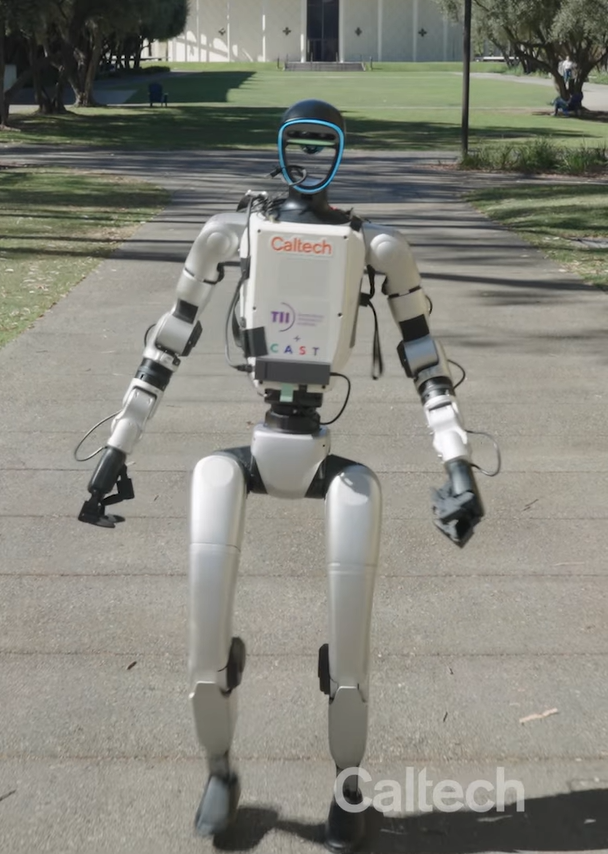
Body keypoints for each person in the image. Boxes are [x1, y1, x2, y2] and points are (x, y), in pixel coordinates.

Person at [78, 98, 488, 854]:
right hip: (255, 442)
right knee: (205, 652)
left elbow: (424, 359)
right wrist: (116, 449)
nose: (310, 159)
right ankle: (218, 769)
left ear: (340, 151)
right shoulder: (232, 232)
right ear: (280, 149)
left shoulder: (376, 248)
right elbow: (167, 340)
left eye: (323, 145)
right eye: (299, 145)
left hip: (326, 455)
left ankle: (346, 784)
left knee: (349, 648)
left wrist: (455, 460)